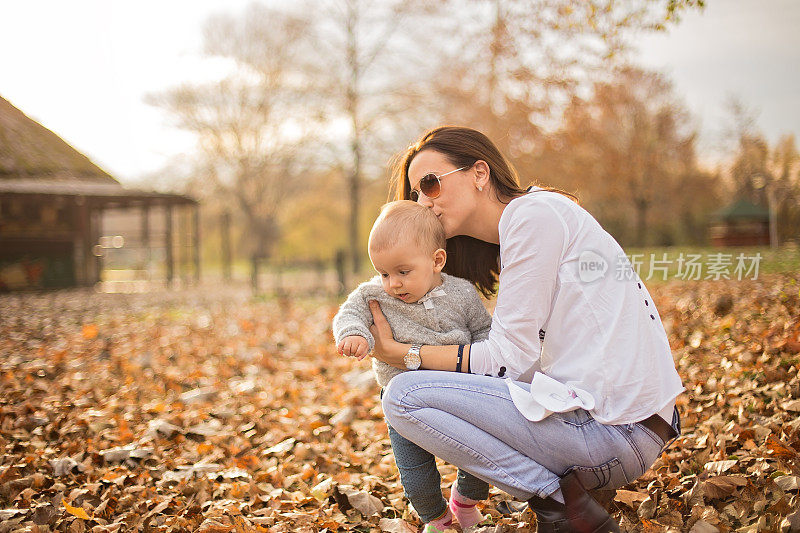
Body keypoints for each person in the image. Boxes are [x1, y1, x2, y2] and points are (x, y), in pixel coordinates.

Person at [369, 127, 684, 533]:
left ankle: (560, 505)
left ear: (480, 173)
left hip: (614, 432)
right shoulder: (531, 222)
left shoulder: (532, 216)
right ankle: (565, 501)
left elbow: (506, 361)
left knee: (402, 396)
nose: (422, 203)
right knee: (418, 387)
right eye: (413, 195)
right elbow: (523, 363)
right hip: (618, 427)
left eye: (429, 185)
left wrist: (403, 354)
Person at [333, 200, 494, 532]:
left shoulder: (461, 294)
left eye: (403, 272)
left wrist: (481, 359)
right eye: (384, 272)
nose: (393, 283)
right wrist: (354, 333)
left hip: (460, 389)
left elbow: (483, 331)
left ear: (437, 261)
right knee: (415, 470)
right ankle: (437, 519)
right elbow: (350, 312)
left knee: (481, 454)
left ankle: (465, 503)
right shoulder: (375, 295)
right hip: (402, 400)